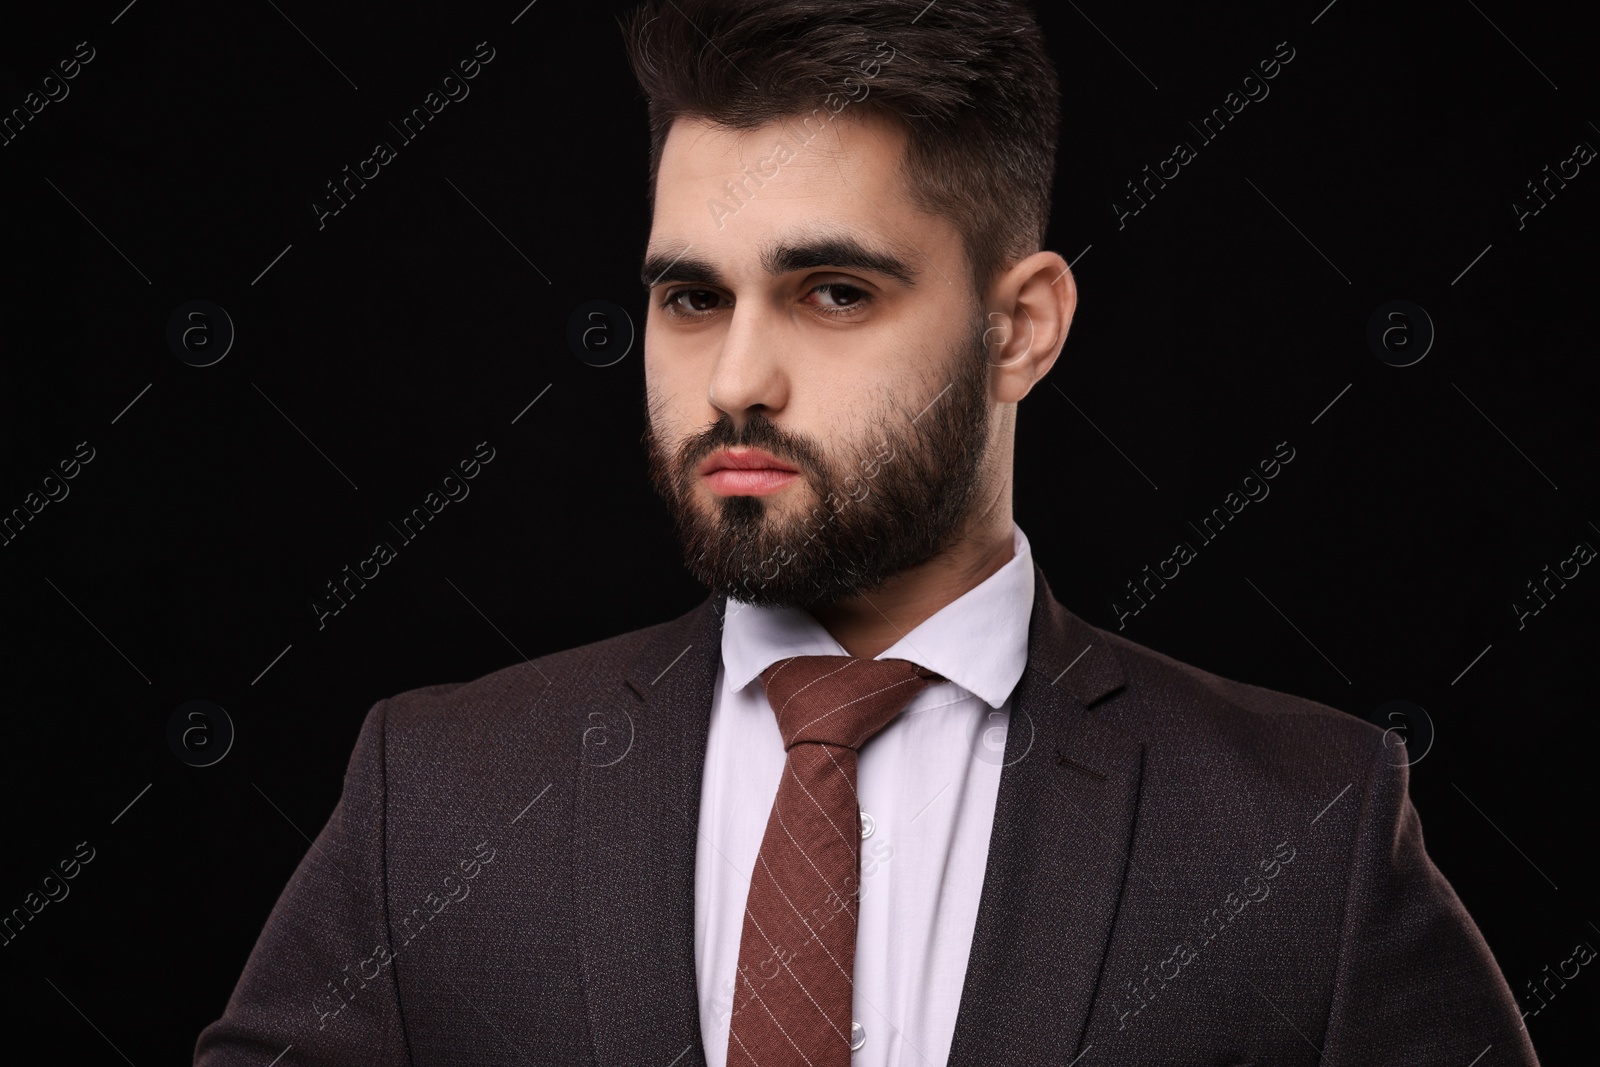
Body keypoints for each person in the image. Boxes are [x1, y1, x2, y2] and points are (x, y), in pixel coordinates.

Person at [195, 0, 1540, 1063]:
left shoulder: (1306, 827)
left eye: (832, 292)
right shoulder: (435, 798)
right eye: (690, 299)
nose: (735, 380)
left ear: (1021, 328)